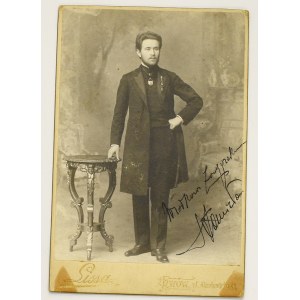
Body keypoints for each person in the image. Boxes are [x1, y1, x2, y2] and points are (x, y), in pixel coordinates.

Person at [108, 31, 203, 263]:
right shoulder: (128, 80)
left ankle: (158, 246)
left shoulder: (169, 78)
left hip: (164, 146)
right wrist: (114, 143)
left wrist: (179, 118)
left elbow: (196, 100)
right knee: (139, 194)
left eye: (156, 48)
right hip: (137, 147)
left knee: (160, 196)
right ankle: (141, 243)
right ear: (138, 52)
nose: (153, 53)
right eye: (148, 48)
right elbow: (119, 114)